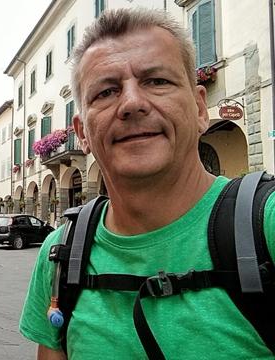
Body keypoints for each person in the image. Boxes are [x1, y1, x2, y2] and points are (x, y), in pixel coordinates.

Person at [19, 8, 275, 359]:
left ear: (201, 109)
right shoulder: (60, 253)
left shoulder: (267, 225)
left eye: (157, 81)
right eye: (106, 92)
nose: (133, 103)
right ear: (82, 134)